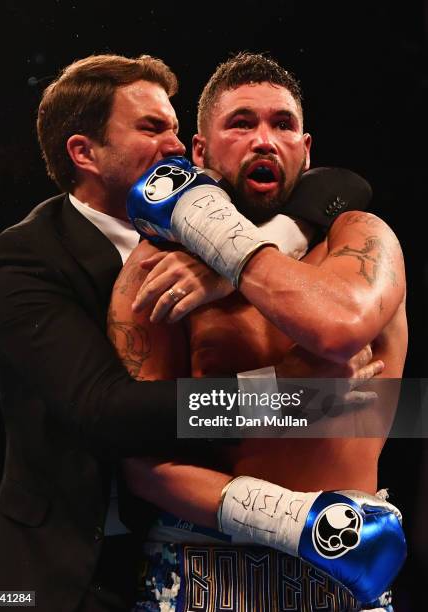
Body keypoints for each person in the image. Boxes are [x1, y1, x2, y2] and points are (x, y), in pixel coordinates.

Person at [0, 52, 376, 612]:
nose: (175, 147)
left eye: (174, 127)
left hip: (179, 553)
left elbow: (342, 184)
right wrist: (288, 395)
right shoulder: (26, 257)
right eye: (151, 128)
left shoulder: (208, 233)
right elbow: (104, 411)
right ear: (85, 153)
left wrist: (267, 242)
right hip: (57, 569)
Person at [113, 53, 407, 611]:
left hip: (348, 560)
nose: (264, 139)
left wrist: (227, 264)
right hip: (202, 569)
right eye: (241, 123)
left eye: (283, 124)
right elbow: (141, 458)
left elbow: (338, 326)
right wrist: (291, 396)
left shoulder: (361, 237)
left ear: (306, 149)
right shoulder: (157, 270)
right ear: (199, 151)